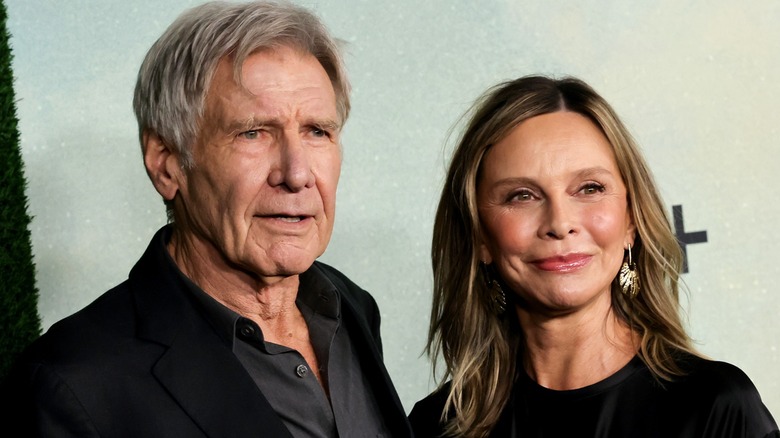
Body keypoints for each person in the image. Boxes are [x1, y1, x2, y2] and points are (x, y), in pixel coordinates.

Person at [0, 2, 412, 437]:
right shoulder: (73, 386)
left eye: (317, 131)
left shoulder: (351, 307)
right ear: (167, 164)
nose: (296, 174)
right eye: (253, 132)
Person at [409, 75, 779, 438]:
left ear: (631, 220)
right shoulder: (436, 426)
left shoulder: (715, 407)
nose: (560, 222)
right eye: (522, 195)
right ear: (480, 237)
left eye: (589, 188)